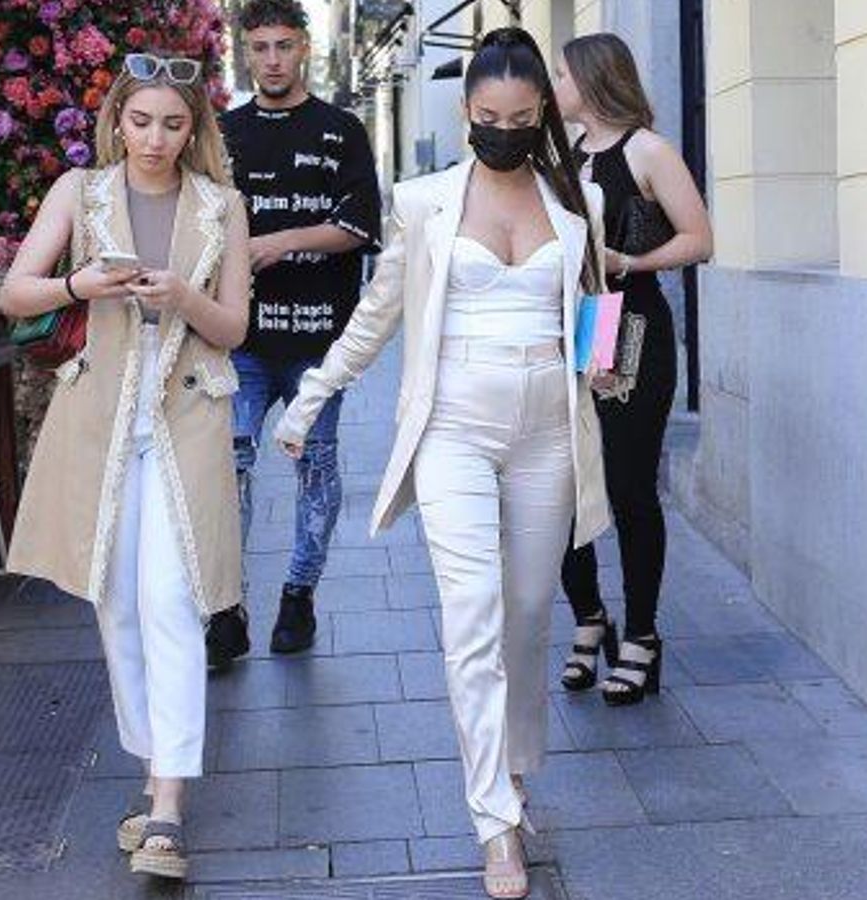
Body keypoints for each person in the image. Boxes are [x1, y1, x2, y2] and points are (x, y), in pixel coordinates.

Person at [273, 28, 610, 900]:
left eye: (521, 117)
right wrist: (312, 398)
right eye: (489, 116)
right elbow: (379, 313)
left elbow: (593, 309)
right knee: (472, 618)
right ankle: (493, 822)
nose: (503, 128)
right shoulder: (424, 203)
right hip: (455, 427)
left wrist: (600, 358)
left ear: (541, 116)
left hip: (547, 430)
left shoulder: (576, 206)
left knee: (529, 616)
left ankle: (518, 771)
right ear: (467, 112)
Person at [0, 52, 251, 882]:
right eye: (141, 121)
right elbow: (15, 293)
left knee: (174, 602)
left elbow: (236, 328)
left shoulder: (222, 206)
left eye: (173, 124)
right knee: (118, 603)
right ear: (116, 121)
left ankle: (170, 805)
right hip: (100, 423)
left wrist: (181, 298)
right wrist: (84, 284)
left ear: (195, 129)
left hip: (186, 419)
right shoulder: (81, 193)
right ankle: (153, 772)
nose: (155, 139)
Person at [210, 0, 382, 664]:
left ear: (304, 47)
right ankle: (227, 608)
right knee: (229, 471)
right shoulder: (223, 133)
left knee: (316, 470)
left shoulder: (341, 129)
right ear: (243, 52)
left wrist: (276, 242)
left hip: (318, 341)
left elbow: (360, 225)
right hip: (241, 339)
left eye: (284, 45)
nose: (273, 59)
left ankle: (298, 597)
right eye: (261, 48)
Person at [551, 33, 713, 705]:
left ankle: (642, 635)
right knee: (560, 489)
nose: (552, 85)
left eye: (560, 73)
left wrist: (630, 262)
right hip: (565, 329)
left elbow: (700, 239)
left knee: (627, 485)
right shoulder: (556, 157)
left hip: (629, 324)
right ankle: (591, 619)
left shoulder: (647, 150)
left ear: (590, 80)